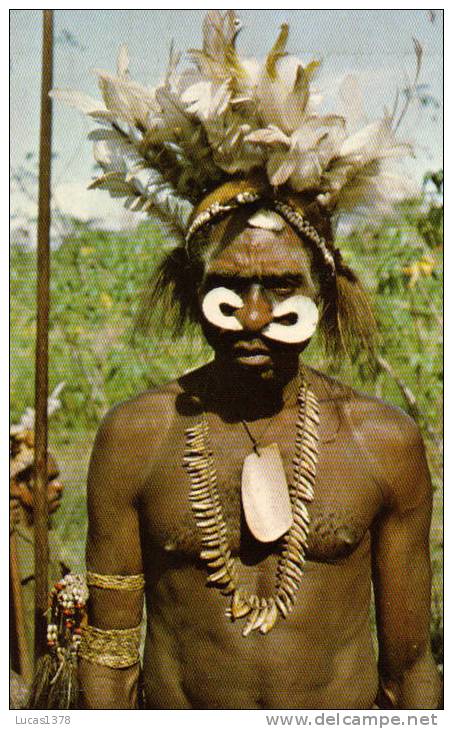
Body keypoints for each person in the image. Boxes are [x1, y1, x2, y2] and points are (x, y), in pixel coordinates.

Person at [55, 11, 441, 709]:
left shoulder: (382, 443)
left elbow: (409, 668)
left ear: (323, 292)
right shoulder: (135, 436)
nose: (254, 315)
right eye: (230, 285)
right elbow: (109, 660)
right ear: (192, 288)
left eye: (280, 286)